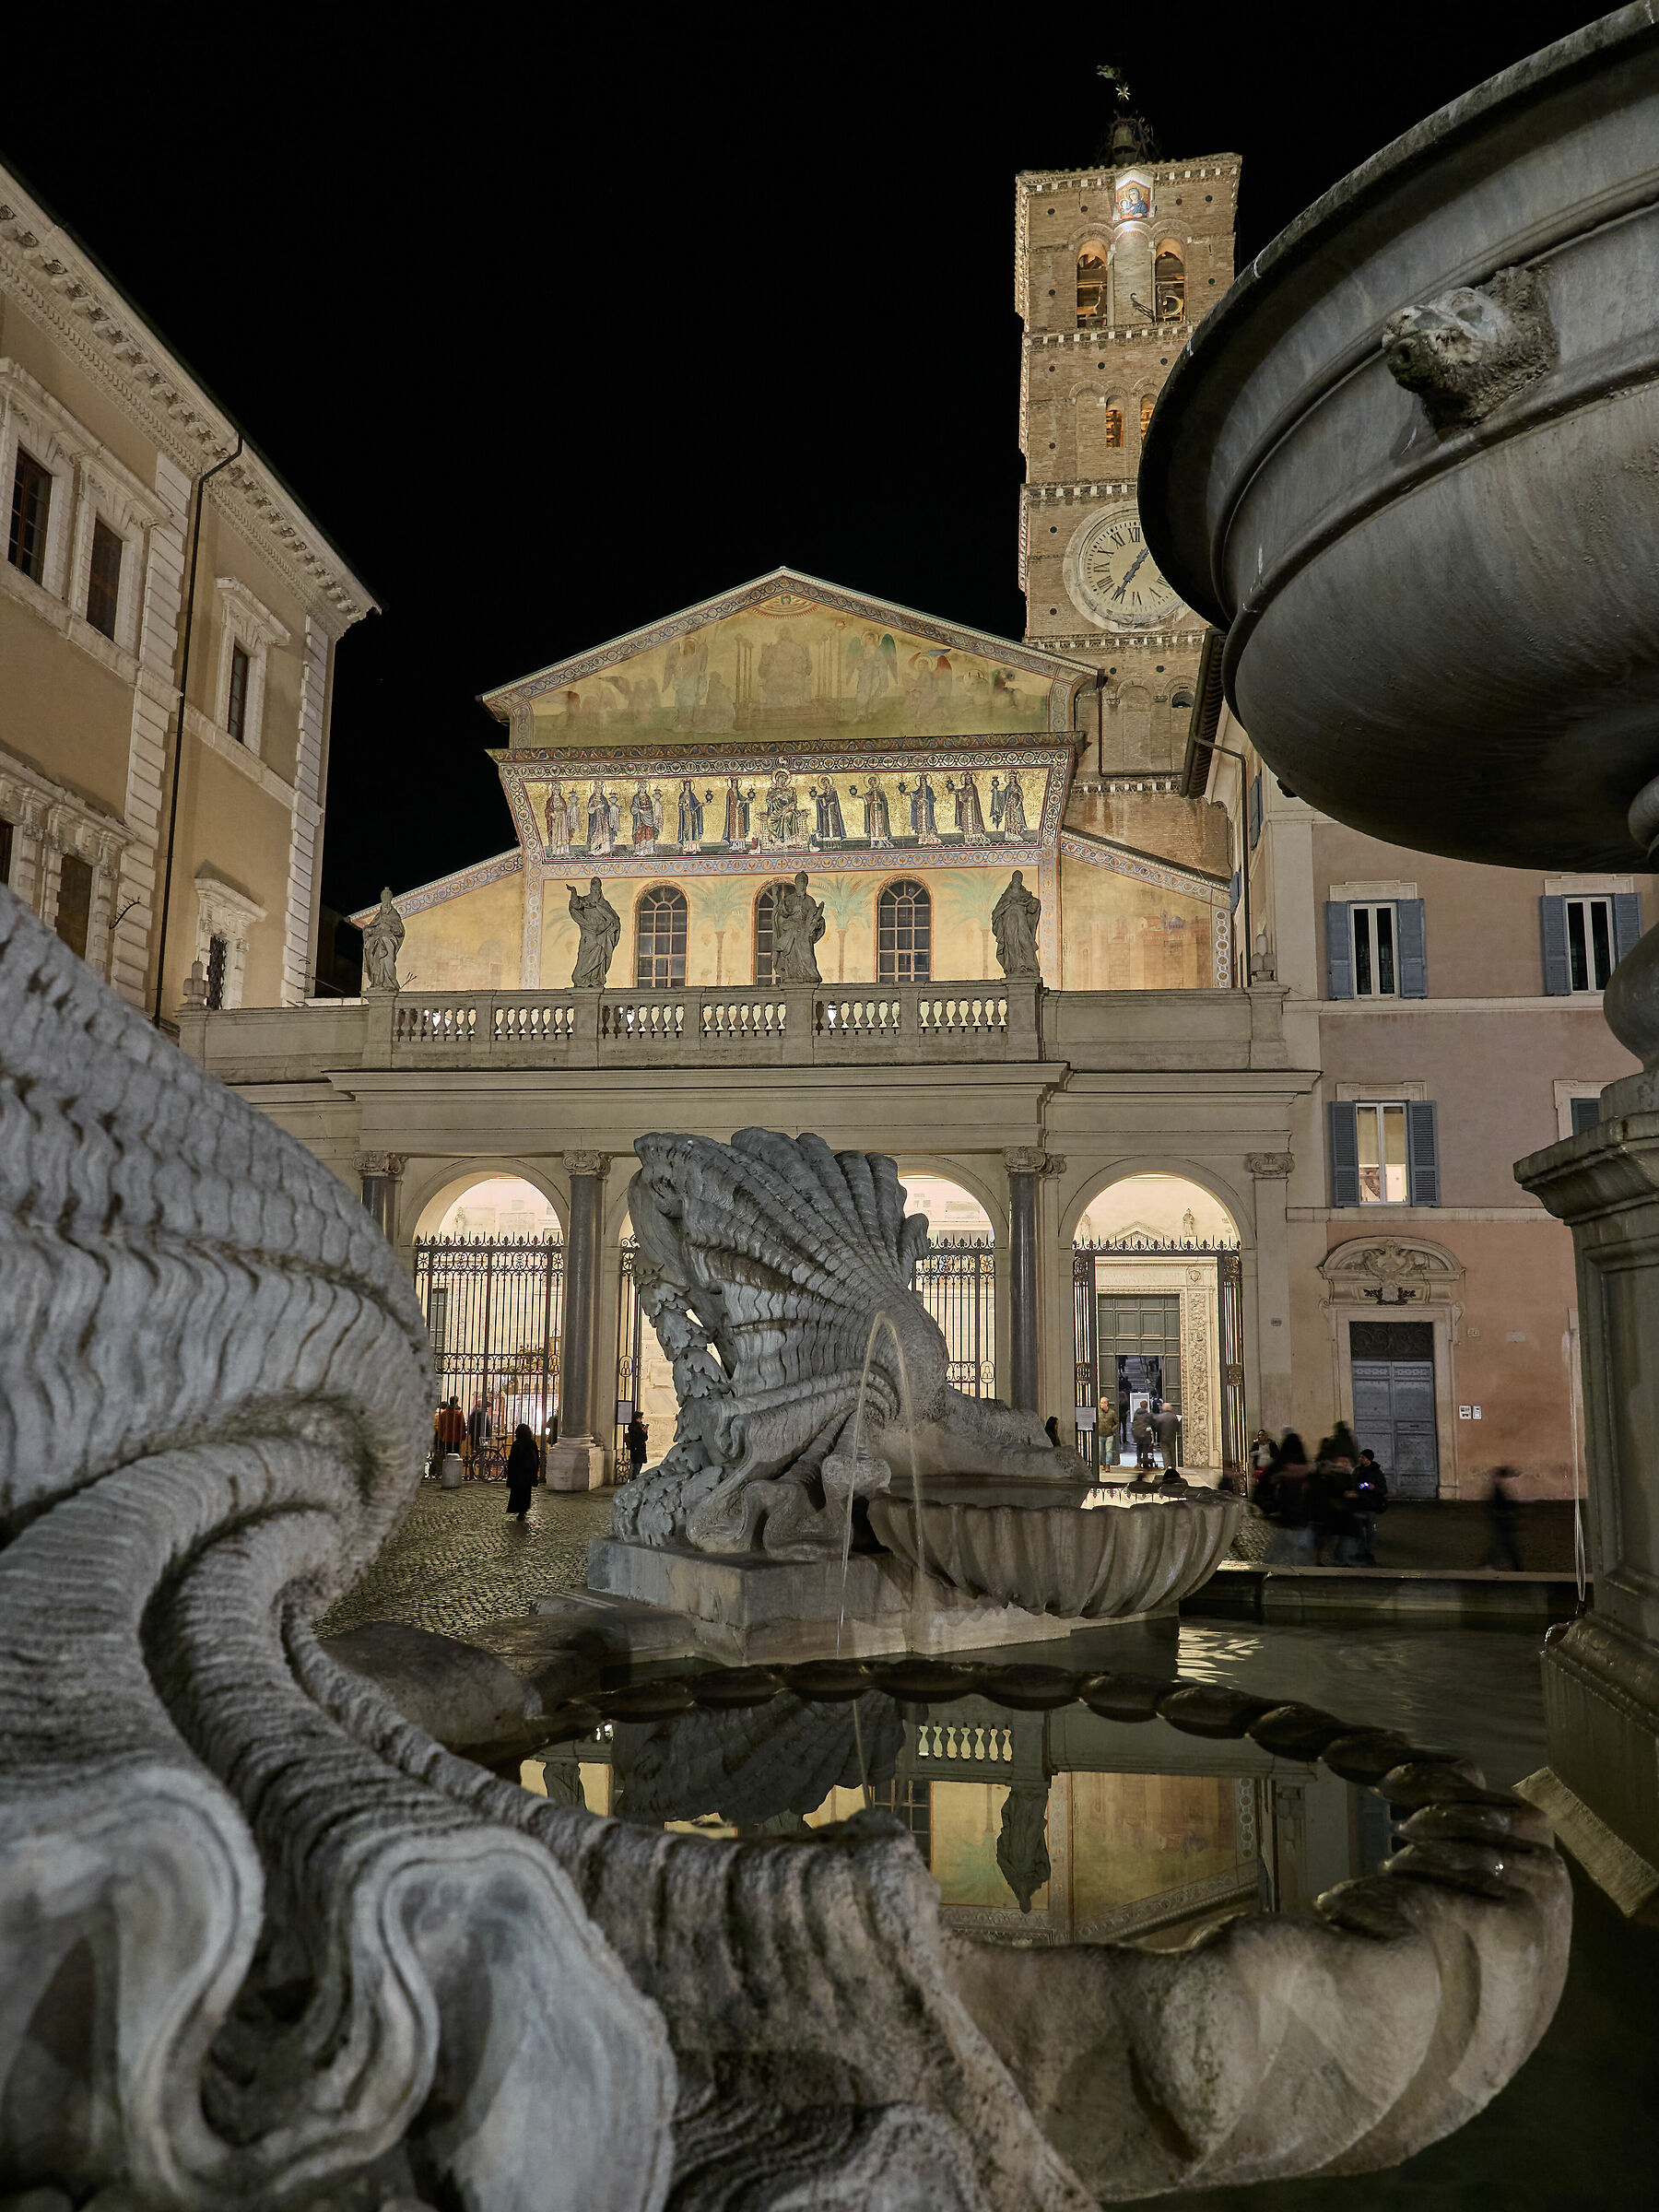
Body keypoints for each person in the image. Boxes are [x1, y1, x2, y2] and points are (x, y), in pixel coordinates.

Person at [1481, 1465, 1524, 1571]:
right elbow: (1495, 1507)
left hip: (1502, 1523)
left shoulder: (1498, 1490)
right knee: (1508, 1547)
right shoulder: (1497, 1492)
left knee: (1500, 1546)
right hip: (1503, 1523)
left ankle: (1486, 1565)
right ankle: (1518, 1569)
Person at [1354, 1449, 1388, 1564]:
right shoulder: (1358, 1471)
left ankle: (1369, 1553)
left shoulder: (1377, 1473)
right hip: (1359, 1505)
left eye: (1362, 1457)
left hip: (1371, 1506)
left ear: (1368, 1459)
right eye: (1360, 1457)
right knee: (1358, 1530)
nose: (1360, 1459)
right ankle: (1360, 1551)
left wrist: (1373, 1488)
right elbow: (1354, 1484)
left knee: (1370, 1532)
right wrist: (1360, 1486)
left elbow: (1383, 1489)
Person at [504, 1422, 540, 1524]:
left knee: (517, 1493)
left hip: (517, 1473)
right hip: (528, 1472)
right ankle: (523, 1511)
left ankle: (518, 1510)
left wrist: (510, 1474)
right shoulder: (532, 1443)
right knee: (526, 1493)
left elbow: (512, 1460)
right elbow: (536, 1459)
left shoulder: (516, 1444)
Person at [1151, 1397, 1181, 1474]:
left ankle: (1166, 1466)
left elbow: (1156, 1428)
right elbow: (1178, 1427)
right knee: (1172, 1452)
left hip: (1163, 1437)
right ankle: (1174, 1466)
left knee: (1165, 1452)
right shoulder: (1174, 1416)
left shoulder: (1160, 1417)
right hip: (1172, 1437)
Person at [1130, 1403, 1155, 1472]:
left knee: (1138, 1448)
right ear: (1147, 1406)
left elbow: (1134, 1422)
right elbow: (1152, 1423)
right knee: (1145, 1449)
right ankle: (1145, 1463)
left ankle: (1139, 1462)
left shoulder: (1136, 1414)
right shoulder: (1148, 1415)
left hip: (1137, 1433)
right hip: (1145, 1433)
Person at [624, 1412, 650, 1478]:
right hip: (636, 1448)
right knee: (636, 1467)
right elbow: (641, 1437)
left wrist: (644, 1431)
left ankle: (634, 1479)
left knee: (639, 1465)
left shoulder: (639, 1425)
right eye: (640, 1418)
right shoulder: (634, 1426)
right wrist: (644, 1432)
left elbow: (644, 1438)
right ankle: (634, 1480)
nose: (641, 1419)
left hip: (639, 1448)